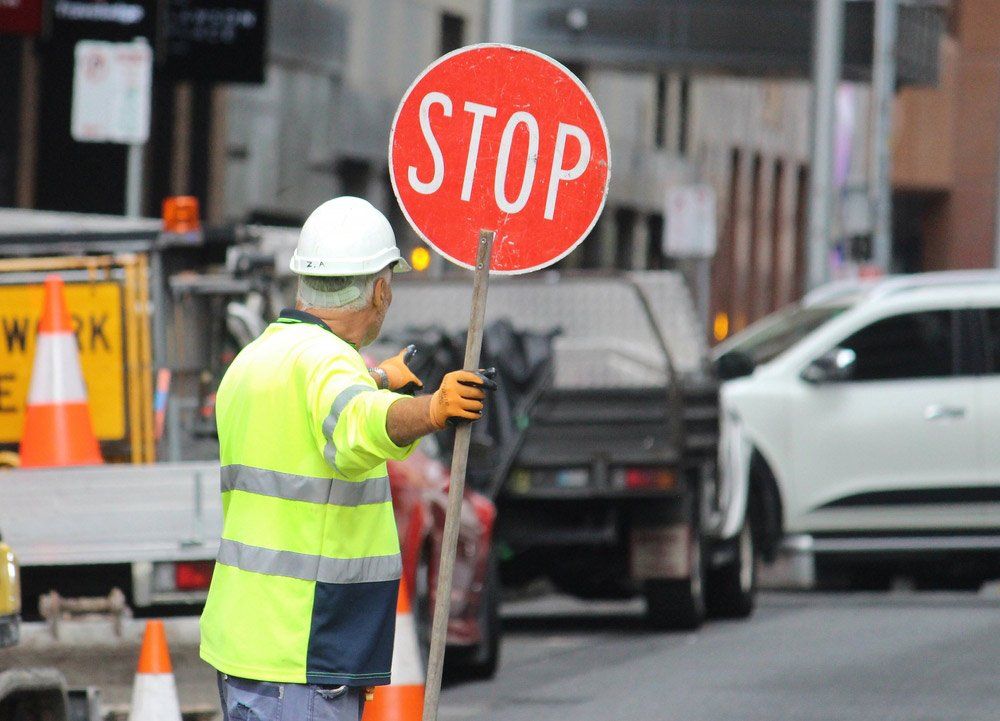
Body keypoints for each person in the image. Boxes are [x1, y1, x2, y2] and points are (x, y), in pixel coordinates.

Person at [199, 196, 495, 721]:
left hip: (244, 644)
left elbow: (310, 419)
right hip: (305, 649)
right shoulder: (331, 364)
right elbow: (358, 425)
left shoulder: (254, 360)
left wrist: (377, 379)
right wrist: (432, 408)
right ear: (379, 289)